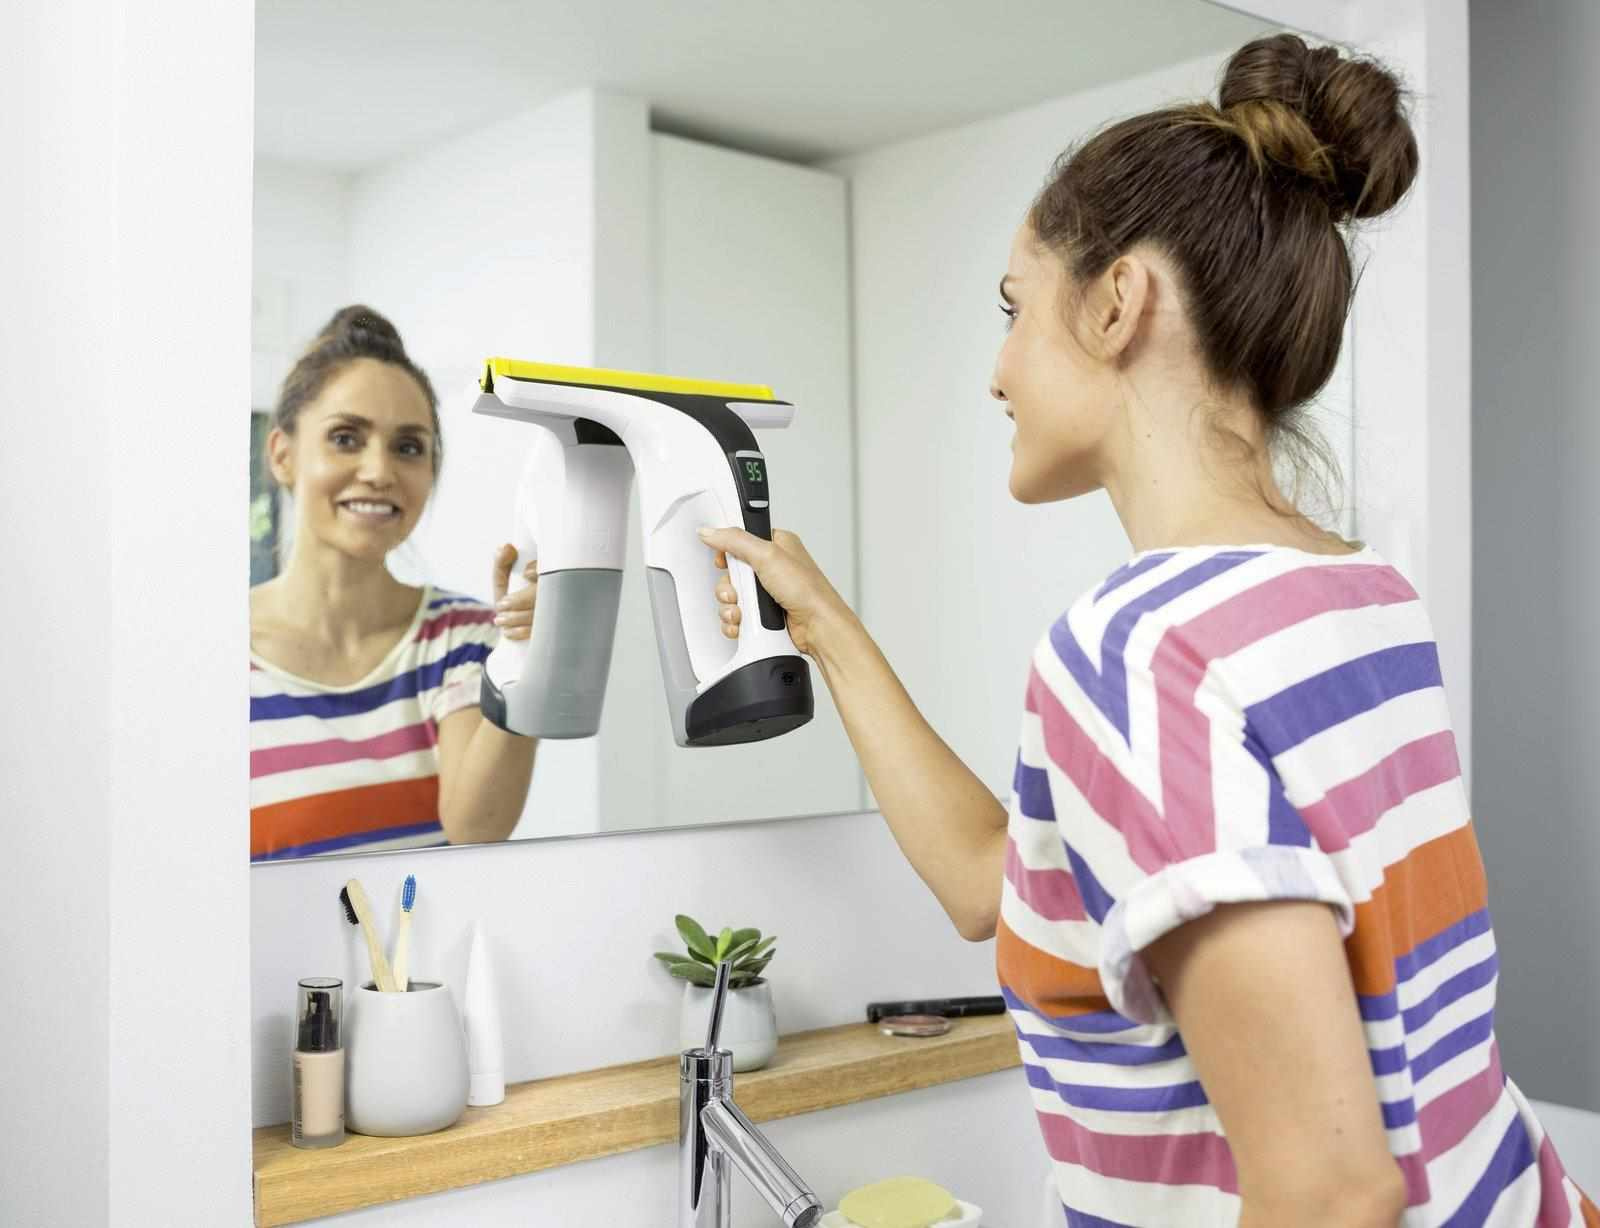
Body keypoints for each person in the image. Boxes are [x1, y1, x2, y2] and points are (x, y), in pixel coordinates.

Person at [702, 34, 1597, 1228]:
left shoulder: (1139, 655)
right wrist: (827, 629)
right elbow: (997, 886)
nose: (996, 372)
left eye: (1014, 308)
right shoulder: (1356, 596)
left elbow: (1333, 1192)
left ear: (1117, 301)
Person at [249, 306, 538, 861]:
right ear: (283, 455)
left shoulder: (467, 639)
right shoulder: (215, 657)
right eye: (345, 438)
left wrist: (528, 657)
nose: (380, 472)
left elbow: (477, 830)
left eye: (408, 447)